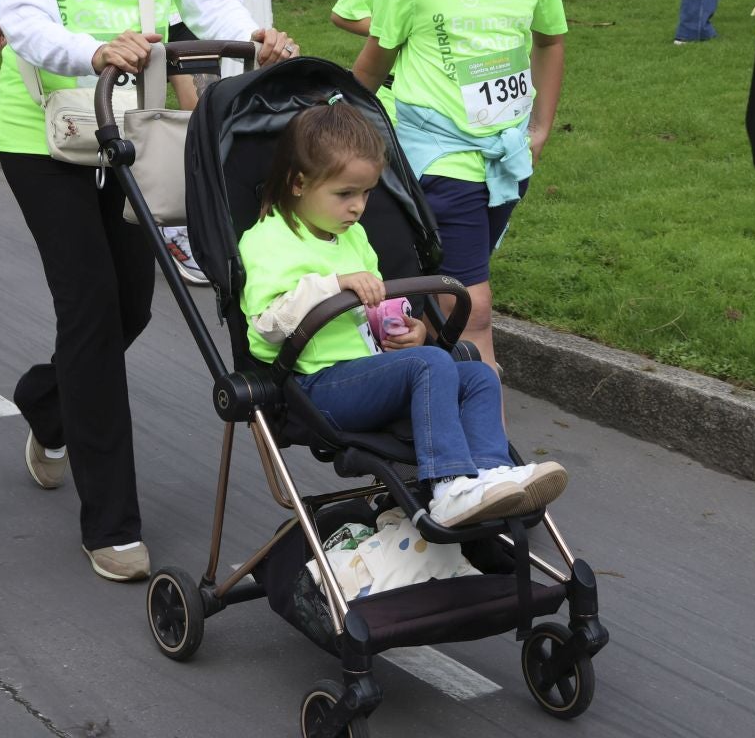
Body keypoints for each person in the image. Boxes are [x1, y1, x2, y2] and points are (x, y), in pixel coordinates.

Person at [0, 0, 296, 583]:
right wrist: (95, 50)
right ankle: (111, 519)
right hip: (48, 128)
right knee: (87, 303)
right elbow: (26, 21)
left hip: (142, 126)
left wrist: (252, 38)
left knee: (130, 307)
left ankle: (46, 403)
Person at [240, 102, 568, 525]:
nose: (358, 207)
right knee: (429, 363)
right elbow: (266, 327)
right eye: (345, 194)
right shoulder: (267, 240)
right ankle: (449, 486)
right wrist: (333, 284)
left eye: (365, 193)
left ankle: (492, 475)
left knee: (478, 375)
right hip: (317, 386)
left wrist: (405, 331)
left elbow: (375, 312)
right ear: (299, 183)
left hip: (370, 372)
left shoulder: (353, 237)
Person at [352, 0, 567, 369]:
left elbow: (550, 40)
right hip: (440, 157)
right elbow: (373, 65)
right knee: (474, 307)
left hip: (509, 154)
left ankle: (416, 382)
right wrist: (342, 134)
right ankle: (489, 449)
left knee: (444, 297)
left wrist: (540, 128)